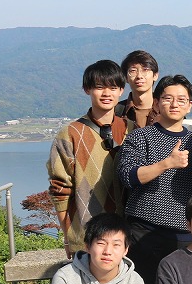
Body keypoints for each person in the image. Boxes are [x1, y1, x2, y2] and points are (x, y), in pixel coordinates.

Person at [116, 74, 192, 284]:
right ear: (156, 102)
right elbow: (128, 176)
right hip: (144, 231)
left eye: (181, 100)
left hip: (184, 233)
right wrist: (166, 164)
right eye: (167, 98)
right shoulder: (141, 136)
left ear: (189, 105)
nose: (174, 104)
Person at [48, 60, 130, 258]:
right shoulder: (69, 134)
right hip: (86, 236)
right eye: (99, 87)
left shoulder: (131, 130)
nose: (107, 93)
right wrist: (68, 236)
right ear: (87, 89)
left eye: (113, 88)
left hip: (126, 234)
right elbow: (60, 190)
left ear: (121, 90)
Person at [115, 50, 159, 128]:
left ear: (155, 75)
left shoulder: (165, 110)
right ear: (126, 78)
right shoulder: (117, 112)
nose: (139, 76)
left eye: (145, 70)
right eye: (133, 71)